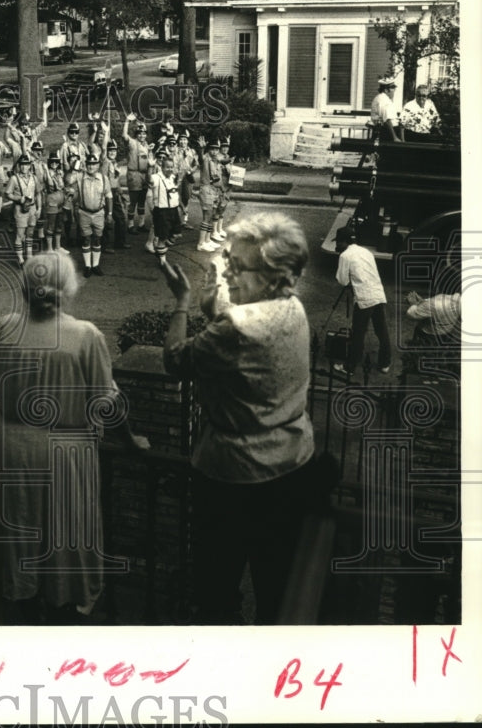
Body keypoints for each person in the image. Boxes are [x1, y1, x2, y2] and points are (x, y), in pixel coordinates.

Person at [161, 212, 326, 624]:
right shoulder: (293, 308)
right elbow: (245, 343)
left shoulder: (235, 326)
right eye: (227, 262)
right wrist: (212, 311)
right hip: (292, 467)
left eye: (237, 265)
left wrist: (182, 304)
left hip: (233, 479)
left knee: (215, 589)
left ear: (273, 275)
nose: (228, 273)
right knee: (276, 588)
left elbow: (176, 360)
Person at [0, 253, 147, 624]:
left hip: (12, 447)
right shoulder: (84, 335)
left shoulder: (5, 328)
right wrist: (129, 441)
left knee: (21, 526)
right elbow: (106, 404)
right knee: (63, 530)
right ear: (68, 287)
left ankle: (24, 604)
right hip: (64, 450)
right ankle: (62, 608)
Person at [334, 228, 392, 377]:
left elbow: (342, 280)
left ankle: (350, 367)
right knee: (381, 330)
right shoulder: (366, 252)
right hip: (378, 294)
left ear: (344, 242)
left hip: (364, 298)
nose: (337, 246)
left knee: (358, 332)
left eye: (338, 242)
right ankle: (385, 363)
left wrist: (341, 259)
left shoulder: (345, 256)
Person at [76, 153, 112, 277]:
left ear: (98, 165)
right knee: (86, 239)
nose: (91, 167)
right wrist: (75, 167)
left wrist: (110, 213)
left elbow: (109, 196)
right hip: (84, 212)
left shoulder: (103, 178)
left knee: (97, 238)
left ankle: (95, 265)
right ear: (86, 165)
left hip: (99, 213)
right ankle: (88, 266)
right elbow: (68, 182)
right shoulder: (80, 177)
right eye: (89, 164)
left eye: (94, 164)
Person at [5, 153, 41, 267]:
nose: (24, 167)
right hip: (20, 208)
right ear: (19, 166)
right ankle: (20, 259)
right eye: (22, 165)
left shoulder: (34, 178)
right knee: (20, 234)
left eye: (26, 165)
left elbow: (38, 193)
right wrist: (18, 199)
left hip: (32, 208)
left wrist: (39, 208)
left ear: (30, 165)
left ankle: (29, 256)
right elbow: (7, 194)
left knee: (30, 233)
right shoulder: (14, 179)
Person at [121, 115, 152, 239]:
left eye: (144, 134)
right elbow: (124, 136)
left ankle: (141, 223)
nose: (142, 136)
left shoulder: (147, 146)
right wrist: (127, 121)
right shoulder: (132, 143)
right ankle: (130, 225)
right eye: (139, 134)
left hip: (144, 175)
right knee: (133, 201)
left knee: (142, 201)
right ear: (136, 135)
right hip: (134, 174)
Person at [148, 153, 181, 267]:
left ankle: (160, 250)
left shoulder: (173, 177)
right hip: (162, 211)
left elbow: (175, 193)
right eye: (167, 167)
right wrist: (149, 167)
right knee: (162, 237)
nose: (170, 169)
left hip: (173, 210)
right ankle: (162, 261)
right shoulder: (156, 177)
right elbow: (149, 180)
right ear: (162, 167)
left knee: (176, 234)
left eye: (171, 167)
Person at [196, 140, 224, 253]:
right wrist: (201, 149)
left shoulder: (216, 161)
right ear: (208, 150)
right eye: (212, 149)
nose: (214, 151)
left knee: (212, 215)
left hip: (214, 190)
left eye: (216, 149)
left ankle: (207, 240)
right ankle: (201, 243)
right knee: (206, 217)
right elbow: (200, 159)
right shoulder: (206, 158)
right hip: (206, 190)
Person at [101, 138, 128, 252]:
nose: (112, 152)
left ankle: (120, 243)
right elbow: (103, 180)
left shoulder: (114, 163)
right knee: (108, 219)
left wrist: (121, 193)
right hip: (107, 193)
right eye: (110, 150)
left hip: (115, 192)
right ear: (107, 152)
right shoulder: (105, 163)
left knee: (121, 218)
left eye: (114, 150)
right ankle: (105, 245)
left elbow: (116, 180)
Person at [40, 150, 67, 251]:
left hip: (61, 200)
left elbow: (62, 186)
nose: (54, 164)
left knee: (59, 224)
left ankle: (58, 247)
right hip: (52, 200)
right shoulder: (47, 173)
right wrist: (46, 171)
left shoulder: (59, 173)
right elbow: (51, 186)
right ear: (49, 163)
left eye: (56, 162)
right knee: (51, 224)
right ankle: (50, 248)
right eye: (52, 162)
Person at [173, 131, 199, 232]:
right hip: (177, 177)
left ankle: (184, 221)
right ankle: (177, 220)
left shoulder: (192, 151)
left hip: (188, 178)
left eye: (185, 139)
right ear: (179, 141)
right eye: (181, 139)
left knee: (186, 198)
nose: (183, 142)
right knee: (176, 198)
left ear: (187, 141)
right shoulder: (175, 150)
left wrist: (192, 170)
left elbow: (196, 164)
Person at [370, 77, 403, 142]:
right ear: (386, 90)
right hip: (386, 132)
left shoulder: (384, 98)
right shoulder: (383, 100)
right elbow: (387, 120)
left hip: (388, 131)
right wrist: (394, 137)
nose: (394, 90)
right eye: (392, 87)